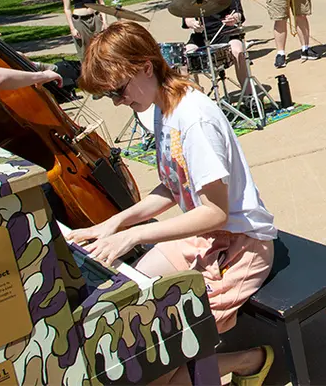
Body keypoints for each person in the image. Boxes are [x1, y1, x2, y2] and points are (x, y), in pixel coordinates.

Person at [69, 21, 276, 384]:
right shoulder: (161, 109)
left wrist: (135, 237)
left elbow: (216, 211)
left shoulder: (193, 119)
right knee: (127, 309)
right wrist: (114, 224)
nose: (119, 102)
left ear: (146, 67)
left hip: (241, 244)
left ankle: (250, 360)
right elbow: (172, 186)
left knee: (156, 362)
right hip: (203, 236)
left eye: (118, 90)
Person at [181, 0, 253, 96]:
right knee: (184, 58)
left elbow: (239, 12)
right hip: (202, 36)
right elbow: (186, 18)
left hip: (227, 32)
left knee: (238, 51)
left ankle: (248, 96)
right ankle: (197, 97)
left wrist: (235, 18)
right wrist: (191, 23)